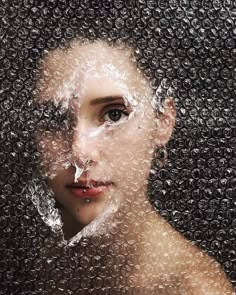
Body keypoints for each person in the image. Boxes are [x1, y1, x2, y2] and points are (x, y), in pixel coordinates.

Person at [33, 39, 234, 294]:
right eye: (55, 118)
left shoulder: (194, 289)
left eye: (114, 114)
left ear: (162, 122)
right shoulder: (49, 261)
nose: (80, 153)